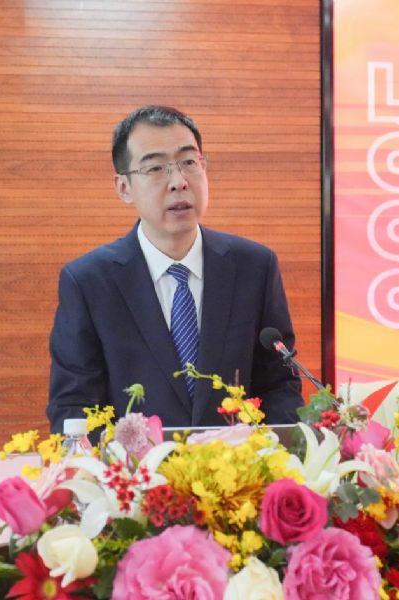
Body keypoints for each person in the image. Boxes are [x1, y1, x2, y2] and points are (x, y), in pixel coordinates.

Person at [47, 106, 303, 432]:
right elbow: (73, 407)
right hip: (136, 465)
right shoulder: (88, 282)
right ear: (124, 188)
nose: (179, 182)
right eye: (155, 168)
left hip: (239, 464)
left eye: (189, 162)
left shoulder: (254, 267)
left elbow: (280, 386)